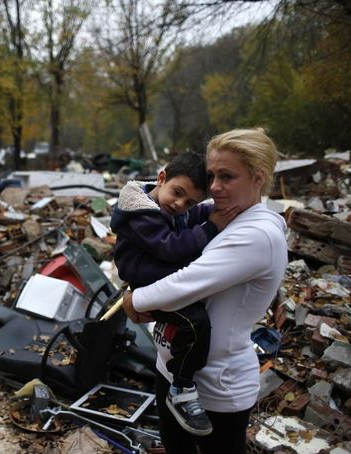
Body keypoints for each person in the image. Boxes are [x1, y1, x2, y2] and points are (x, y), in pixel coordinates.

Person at [122, 128, 288, 454]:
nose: (214, 187)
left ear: (258, 178)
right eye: (212, 175)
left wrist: (133, 299)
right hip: (170, 368)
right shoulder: (224, 209)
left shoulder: (258, 234)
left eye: (227, 176)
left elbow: (187, 280)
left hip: (215, 387)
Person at [111, 151, 238, 436]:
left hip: (156, 277)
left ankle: (179, 367)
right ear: (161, 178)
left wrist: (213, 210)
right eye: (177, 193)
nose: (180, 205)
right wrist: (213, 225)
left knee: (193, 320)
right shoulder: (141, 215)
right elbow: (171, 247)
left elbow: (191, 215)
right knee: (196, 323)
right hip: (146, 282)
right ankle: (181, 387)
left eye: (190, 201)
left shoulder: (167, 205)